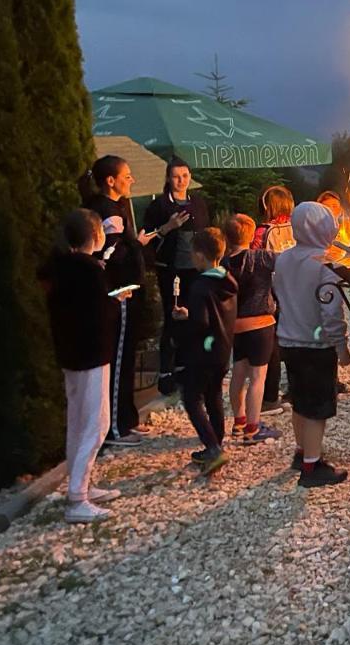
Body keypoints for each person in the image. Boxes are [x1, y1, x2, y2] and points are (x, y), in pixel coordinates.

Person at [41, 209, 128, 524]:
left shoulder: (57, 268)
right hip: (91, 353)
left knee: (77, 420)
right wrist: (115, 301)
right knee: (96, 422)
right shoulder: (89, 271)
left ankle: (81, 484)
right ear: (94, 235)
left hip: (69, 353)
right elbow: (97, 313)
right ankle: (78, 495)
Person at [273, 202, 350, 488]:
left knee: (299, 400)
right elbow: (331, 313)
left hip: (288, 342)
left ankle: (302, 451)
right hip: (315, 346)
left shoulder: (283, 259)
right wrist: (341, 347)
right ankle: (312, 467)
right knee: (318, 407)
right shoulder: (324, 265)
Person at [78, 155, 151, 447]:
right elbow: (107, 254)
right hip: (117, 294)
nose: (131, 180)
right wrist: (132, 250)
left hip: (123, 291)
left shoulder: (114, 209)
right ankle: (116, 428)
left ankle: (126, 418)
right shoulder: (109, 213)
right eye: (127, 175)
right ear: (111, 180)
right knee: (119, 359)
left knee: (126, 357)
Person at [171, 227, 238, 476]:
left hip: (203, 353)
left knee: (192, 398)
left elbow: (200, 324)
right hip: (222, 351)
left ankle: (212, 448)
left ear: (199, 255)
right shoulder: (227, 281)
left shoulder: (200, 287)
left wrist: (183, 321)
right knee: (214, 397)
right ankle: (216, 441)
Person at [143, 157, 210, 395]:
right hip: (171, 269)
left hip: (195, 270)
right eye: (176, 176)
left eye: (185, 175)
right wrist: (167, 227)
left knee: (195, 317)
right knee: (173, 319)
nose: (181, 181)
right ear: (168, 179)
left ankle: (187, 367)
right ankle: (166, 373)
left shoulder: (198, 203)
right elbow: (146, 240)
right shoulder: (159, 205)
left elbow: (206, 235)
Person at [221, 214, 281, 444]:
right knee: (258, 377)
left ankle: (239, 422)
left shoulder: (224, 263)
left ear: (227, 237)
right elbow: (286, 260)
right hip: (261, 325)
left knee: (238, 373)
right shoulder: (261, 258)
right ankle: (253, 428)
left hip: (235, 327)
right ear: (252, 235)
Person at [252, 185, 296, 414]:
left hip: (270, 295)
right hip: (296, 292)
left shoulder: (262, 231)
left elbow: (252, 260)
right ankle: (296, 390)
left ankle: (269, 397)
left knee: (272, 347)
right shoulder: (297, 228)